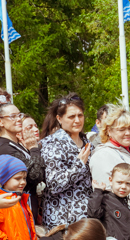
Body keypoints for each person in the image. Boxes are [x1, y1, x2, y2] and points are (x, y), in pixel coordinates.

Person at [88, 106, 130, 235]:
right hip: (121, 228)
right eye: (122, 129)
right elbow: (109, 198)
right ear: (109, 131)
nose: (128, 133)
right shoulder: (102, 155)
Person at [39, 94, 93, 228]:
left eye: (80, 115)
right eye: (71, 117)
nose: (77, 120)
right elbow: (54, 184)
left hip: (88, 217)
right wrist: (79, 165)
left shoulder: (88, 142)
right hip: (63, 219)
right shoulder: (52, 143)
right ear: (59, 118)